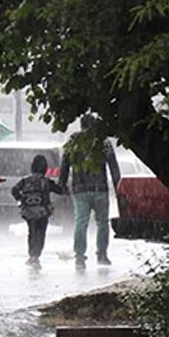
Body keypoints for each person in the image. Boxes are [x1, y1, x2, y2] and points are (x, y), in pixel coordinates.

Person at [59, 114, 121, 268]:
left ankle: (79, 256)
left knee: (81, 222)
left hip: (80, 189)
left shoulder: (72, 141)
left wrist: (62, 183)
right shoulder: (103, 141)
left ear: (81, 125)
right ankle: (102, 254)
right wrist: (118, 186)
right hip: (100, 189)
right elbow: (113, 166)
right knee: (102, 223)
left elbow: (64, 164)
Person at [11, 154, 68, 268]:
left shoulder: (25, 180)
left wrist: (20, 200)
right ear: (45, 168)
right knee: (40, 233)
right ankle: (35, 255)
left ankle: (32, 255)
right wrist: (64, 185)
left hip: (28, 211)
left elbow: (14, 190)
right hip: (43, 212)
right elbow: (60, 190)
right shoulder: (46, 181)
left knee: (32, 232)